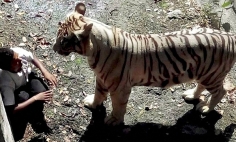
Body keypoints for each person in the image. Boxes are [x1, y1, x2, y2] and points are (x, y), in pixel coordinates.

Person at [0, 47, 57, 141]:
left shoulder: (18, 54)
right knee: (25, 98)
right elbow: (11, 109)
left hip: (27, 77)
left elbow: (32, 57)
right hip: (17, 90)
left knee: (42, 91)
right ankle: (30, 116)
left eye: (18, 57)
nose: (21, 60)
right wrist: (35, 98)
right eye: (16, 62)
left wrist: (45, 71)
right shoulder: (5, 82)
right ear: (9, 68)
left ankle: (37, 116)